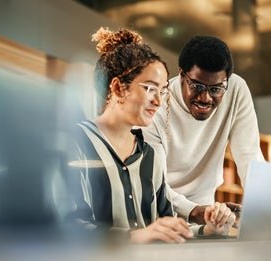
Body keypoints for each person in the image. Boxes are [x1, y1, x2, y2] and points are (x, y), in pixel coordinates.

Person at [67, 28, 233, 244]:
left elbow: (167, 226)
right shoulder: (75, 143)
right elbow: (67, 227)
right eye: (150, 89)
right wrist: (135, 237)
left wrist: (208, 230)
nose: (158, 101)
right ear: (118, 88)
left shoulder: (152, 156)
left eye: (162, 91)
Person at [142, 35, 265, 225]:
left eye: (216, 89)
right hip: (160, 218)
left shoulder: (236, 90)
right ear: (182, 75)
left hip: (206, 217)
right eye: (197, 86)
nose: (205, 97)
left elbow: (250, 157)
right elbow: (153, 184)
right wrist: (193, 210)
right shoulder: (156, 107)